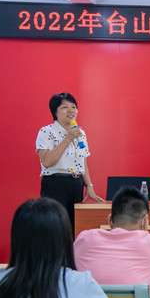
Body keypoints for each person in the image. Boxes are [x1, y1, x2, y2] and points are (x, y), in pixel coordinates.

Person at [36, 91, 104, 233]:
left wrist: (89, 185)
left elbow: (83, 161)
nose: (71, 110)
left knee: (74, 227)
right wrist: (68, 138)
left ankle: (71, 249)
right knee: (55, 227)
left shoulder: (80, 133)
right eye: (65, 107)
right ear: (55, 112)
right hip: (56, 184)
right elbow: (47, 161)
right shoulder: (46, 131)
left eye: (74, 107)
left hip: (76, 184)